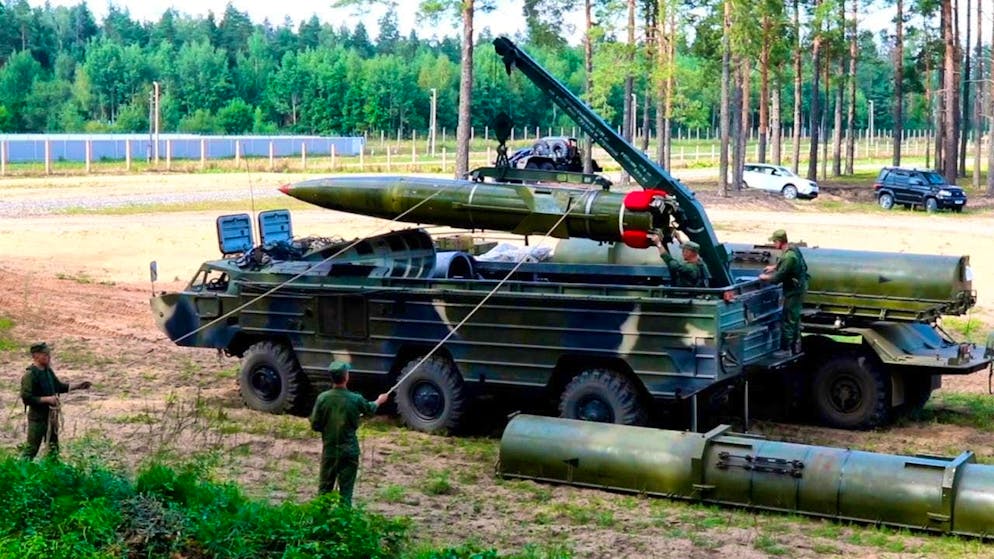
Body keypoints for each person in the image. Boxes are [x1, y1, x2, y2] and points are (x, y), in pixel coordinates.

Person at [309, 361, 390, 506]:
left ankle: (320, 521)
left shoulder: (323, 398)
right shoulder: (355, 399)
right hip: (350, 451)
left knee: (324, 492)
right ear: (346, 377)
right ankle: (344, 523)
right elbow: (370, 409)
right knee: (346, 493)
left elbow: (315, 425)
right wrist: (379, 401)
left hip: (330, 451)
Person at [20, 342, 92, 460]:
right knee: (31, 449)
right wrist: (47, 399)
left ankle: (52, 472)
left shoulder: (48, 372)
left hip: (51, 417)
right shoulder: (30, 375)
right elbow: (27, 398)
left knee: (53, 448)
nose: (48, 357)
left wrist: (78, 386)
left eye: (48, 354)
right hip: (37, 418)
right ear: (36, 356)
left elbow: (59, 387)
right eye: (45, 354)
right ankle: (18, 473)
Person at [759, 229, 809, 354]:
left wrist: (765, 277)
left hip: (793, 291)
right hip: (798, 288)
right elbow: (785, 264)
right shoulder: (792, 249)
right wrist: (774, 267)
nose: (773, 244)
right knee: (795, 318)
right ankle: (795, 345)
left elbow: (778, 278)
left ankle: (785, 348)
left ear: (779, 241)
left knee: (788, 319)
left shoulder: (789, 256)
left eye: (774, 241)